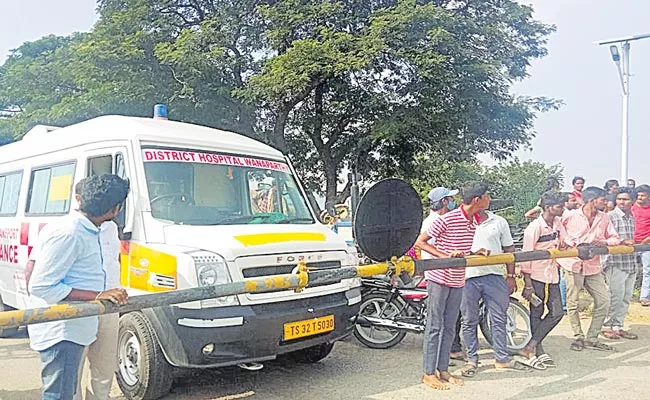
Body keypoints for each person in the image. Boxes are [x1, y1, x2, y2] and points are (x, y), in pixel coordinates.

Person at [28, 174, 130, 400]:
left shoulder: (101, 229)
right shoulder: (69, 233)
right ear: (115, 208)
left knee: (96, 376)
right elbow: (40, 285)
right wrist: (98, 295)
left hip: (95, 315)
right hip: (65, 327)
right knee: (62, 392)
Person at [414, 181, 490, 390]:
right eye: (487, 196)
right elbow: (420, 241)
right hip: (439, 278)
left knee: (449, 327)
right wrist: (444, 256)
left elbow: (459, 248)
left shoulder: (473, 221)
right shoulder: (448, 219)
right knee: (435, 326)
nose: (489, 199)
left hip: (457, 279)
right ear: (477, 200)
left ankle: (443, 370)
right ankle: (429, 373)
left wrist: (475, 252)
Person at [458, 208, 526, 377]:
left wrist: (510, 276)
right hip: (467, 277)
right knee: (469, 320)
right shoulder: (458, 222)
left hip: (494, 276)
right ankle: (472, 360)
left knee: (498, 318)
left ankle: (501, 359)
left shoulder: (498, 222)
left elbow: (509, 250)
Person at [559, 186, 626, 352]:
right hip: (572, 263)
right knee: (573, 302)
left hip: (593, 265)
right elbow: (558, 231)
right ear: (591, 200)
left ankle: (592, 338)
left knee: (604, 300)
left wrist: (602, 242)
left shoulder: (604, 218)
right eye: (602, 200)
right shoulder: (570, 216)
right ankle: (578, 337)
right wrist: (567, 242)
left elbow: (614, 238)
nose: (605, 203)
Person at [519, 192, 567, 369]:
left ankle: (531, 344)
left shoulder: (557, 223)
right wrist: (528, 283)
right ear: (548, 208)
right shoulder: (534, 227)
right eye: (559, 206)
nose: (562, 209)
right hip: (536, 275)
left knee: (557, 312)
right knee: (536, 312)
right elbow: (526, 256)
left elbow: (565, 241)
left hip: (553, 273)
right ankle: (536, 348)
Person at [602, 187, 639, 340]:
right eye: (619, 199)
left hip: (630, 261)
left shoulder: (631, 217)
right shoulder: (610, 216)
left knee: (626, 296)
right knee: (614, 296)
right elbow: (604, 238)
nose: (622, 202)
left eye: (625, 199)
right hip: (615, 262)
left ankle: (618, 326)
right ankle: (606, 325)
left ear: (633, 201)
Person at [632, 184, 650, 307]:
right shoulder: (631, 208)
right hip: (630, 244)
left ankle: (644, 296)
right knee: (627, 270)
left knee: (647, 270)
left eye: (643, 195)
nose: (640, 197)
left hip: (647, 244)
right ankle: (627, 294)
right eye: (638, 195)